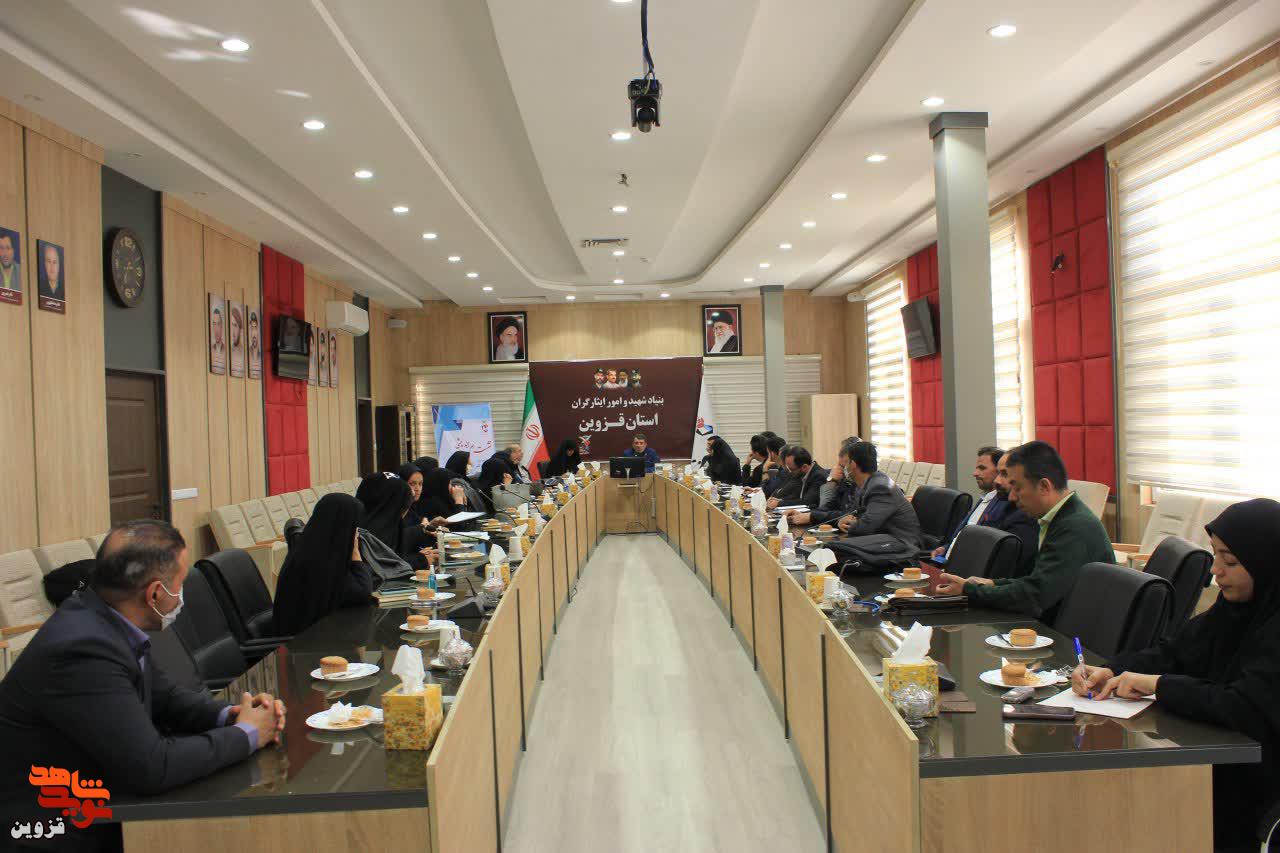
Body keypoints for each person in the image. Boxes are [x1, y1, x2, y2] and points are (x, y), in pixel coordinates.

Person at [0, 521, 284, 832]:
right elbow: (152, 767)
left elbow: (165, 697)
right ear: (155, 594)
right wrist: (247, 734)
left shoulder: (105, 619)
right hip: (52, 828)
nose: (182, 595)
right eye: (181, 584)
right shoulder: (82, 650)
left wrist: (230, 715)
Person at [1071, 498, 1280, 850]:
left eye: (1230, 561)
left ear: (1266, 564)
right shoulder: (1234, 608)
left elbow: (1242, 705)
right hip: (1218, 764)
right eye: (1215, 556)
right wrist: (1111, 669)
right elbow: (1173, 653)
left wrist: (1157, 685)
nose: (1216, 571)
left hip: (1260, 785)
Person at [935, 441, 1112, 620]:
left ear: (1044, 487)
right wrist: (992, 583)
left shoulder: (1073, 527)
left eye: (1017, 488)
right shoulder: (1058, 518)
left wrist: (970, 590)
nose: (1012, 497)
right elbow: (1039, 580)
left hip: (1068, 632)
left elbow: (1035, 596)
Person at [273, 493, 376, 634]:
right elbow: (362, 593)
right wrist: (355, 552)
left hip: (316, 635)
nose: (357, 534)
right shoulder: (319, 563)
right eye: (354, 528)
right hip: (308, 642)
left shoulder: (310, 549)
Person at [931, 448, 1038, 572]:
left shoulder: (1011, 506)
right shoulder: (987, 497)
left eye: (1004, 474)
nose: (975, 473)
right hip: (949, 564)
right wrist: (947, 548)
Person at [356, 473, 430, 568]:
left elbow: (395, 556)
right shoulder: (363, 537)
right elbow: (382, 568)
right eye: (401, 506)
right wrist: (421, 560)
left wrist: (420, 556)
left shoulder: (375, 525)